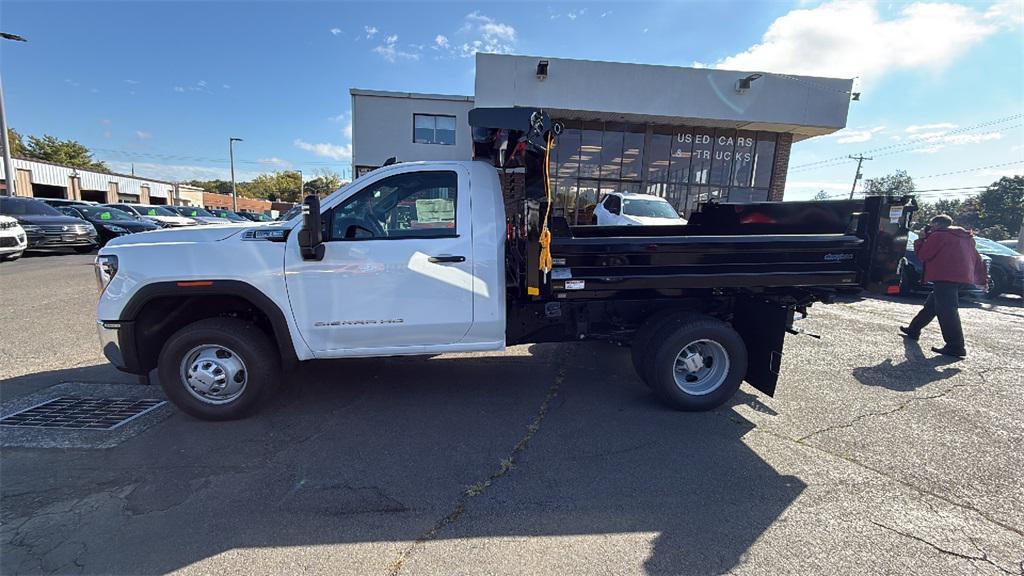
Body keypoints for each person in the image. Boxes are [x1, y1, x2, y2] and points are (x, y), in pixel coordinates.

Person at [899, 214, 988, 358]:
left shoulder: (939, 235)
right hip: (962, 278)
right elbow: (977, 258)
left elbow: (923, 255)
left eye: (931, 225)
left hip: (945, 276)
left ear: (936, 225)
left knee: (947, 311)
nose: (929, 228)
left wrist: (921, 239)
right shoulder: (966, 237)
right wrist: (981, 279)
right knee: (933, 304)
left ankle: (956, 346)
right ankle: (914, 329)